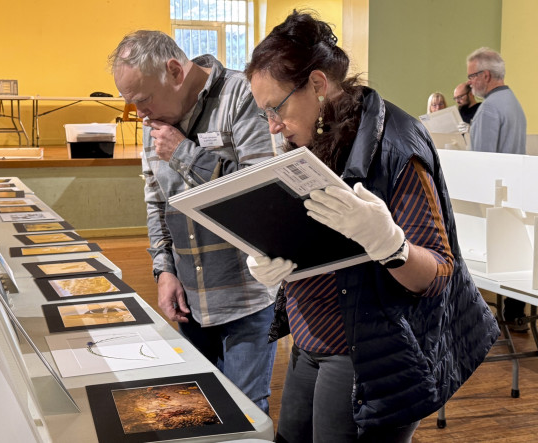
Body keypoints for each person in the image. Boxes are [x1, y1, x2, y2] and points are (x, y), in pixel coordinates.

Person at [244, 11, 500, 442]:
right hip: (310, 340)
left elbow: (439, 273)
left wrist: (389, 244)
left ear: (319, 85)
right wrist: (271, 254)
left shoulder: (397, 144)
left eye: (276, 108)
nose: (273, 125)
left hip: (368, 351)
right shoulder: (308, 137)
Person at [108, 30, 282, 413]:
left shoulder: (241, 95)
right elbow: (156, 203)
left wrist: (184, 154)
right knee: (201, 410)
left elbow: (263, 193)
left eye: (143, 100)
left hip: (247, 297)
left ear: (174, 71)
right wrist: (163, 271)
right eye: (130, 104)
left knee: (247, 412)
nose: (139, 113)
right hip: (190, 296)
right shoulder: (154, 117)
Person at [466, 47, 528, 329]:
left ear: (485, 75)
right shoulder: (513, 102)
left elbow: (480, 161)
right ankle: (514, 316)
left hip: (491, 197)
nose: (469, 83)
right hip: (514, 192)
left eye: (471, 77)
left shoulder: (490, 108)